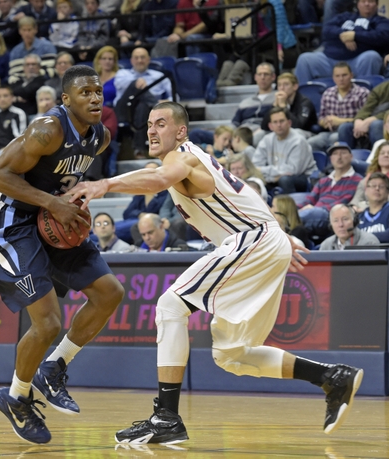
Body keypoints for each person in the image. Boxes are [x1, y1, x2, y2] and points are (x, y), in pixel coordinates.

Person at [68, 101, 364, 445]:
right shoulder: (192, 159)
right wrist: (277, 232)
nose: (151, 130)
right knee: (232, 354)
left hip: (252, 240)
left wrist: (103, 185)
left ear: (181, 131)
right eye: (149, 124)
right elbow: (242, 189)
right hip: (262, 239)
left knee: (170, 306)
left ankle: (166, 417)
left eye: (160, 123)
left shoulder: (182, 156)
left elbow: (157, 179)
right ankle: (332, 377)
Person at [0, 65, 123, 444]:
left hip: (50, 220)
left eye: (98, 92)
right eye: (85, 93)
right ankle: (15, 397)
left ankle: (54, 367)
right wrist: (53, 204)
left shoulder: (101, 137)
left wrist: (69, 204)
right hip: (10, 224)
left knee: (110, 292)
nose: (94, 98)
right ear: (65, 99)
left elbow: (63, 182)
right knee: (46, 323)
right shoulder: (47, 130)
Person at [294, 0, 389, 85]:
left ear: (376, 5)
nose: (367, 4)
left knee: (372, 56)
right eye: (363, 1)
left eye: (371, 1)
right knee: (305, 59)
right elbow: (326, 30)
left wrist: (355, 35)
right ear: (358, 4)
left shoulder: (381, 21)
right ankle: (304, 98)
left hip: (357, 61)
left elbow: (381, 36)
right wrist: (343, 35)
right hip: (330, 60)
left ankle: (365, 96)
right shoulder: (346, 17)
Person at [298, 141, 362, 237]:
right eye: (335, 154)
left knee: (314, 213)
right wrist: (294, 210)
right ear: (331, 159)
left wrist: (315, 209)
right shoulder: (323, 180)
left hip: (333, 216)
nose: (339, 157)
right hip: (314, 215)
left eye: (343, 153)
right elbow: (309, 200)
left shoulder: (357, 179)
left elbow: (343, 202)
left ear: (351, 156)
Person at [252, 107, 317, 193]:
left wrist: (265, 172)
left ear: (289, 123)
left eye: (282, 121)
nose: (279, 125)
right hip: (276, 176)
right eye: (275, 122)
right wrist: (272, 178)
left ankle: (290, 206)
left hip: (303, 178)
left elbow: (292, 170)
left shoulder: (298, 141)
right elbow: (255, 166)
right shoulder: (267, 140)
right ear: (270, 126)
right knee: (253, 179)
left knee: (284, 179)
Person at [308, 62, 370, 152]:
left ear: (351, 75)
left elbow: (365, 120)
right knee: (311, 143)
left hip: (352, 133)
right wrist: (325, 122)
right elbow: (321, 117)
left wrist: (339, 121)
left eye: (344, 75)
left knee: (334, 138)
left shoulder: (362, 93)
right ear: (333, 78)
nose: (341, 79)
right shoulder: (328, 93)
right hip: (330, 132)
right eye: (337, 76)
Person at [260, 73, 317, 138]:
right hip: (284, 131)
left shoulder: (305, 102)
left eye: (286, 84)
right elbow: (264, 126)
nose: (282, 88)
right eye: (279, 85)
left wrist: (284, 107)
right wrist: (274, 106)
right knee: (261, 134)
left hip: (306, 133)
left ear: (295, 86)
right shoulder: (279, 101)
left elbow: (299, 126)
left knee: (295, 133)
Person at [351, 141, 389, 211]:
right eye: (382, 153)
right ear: (377, 157)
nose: (386, 155)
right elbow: (356, 199)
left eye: (388, 153)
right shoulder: (367, 179)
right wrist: (354, 208)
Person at [357, 171, 389, 242]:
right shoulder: (359, 217)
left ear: (387, 192)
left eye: (381, 186)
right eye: (373, 185)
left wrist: (363, 238)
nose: (377, 188)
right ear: (366, 191)